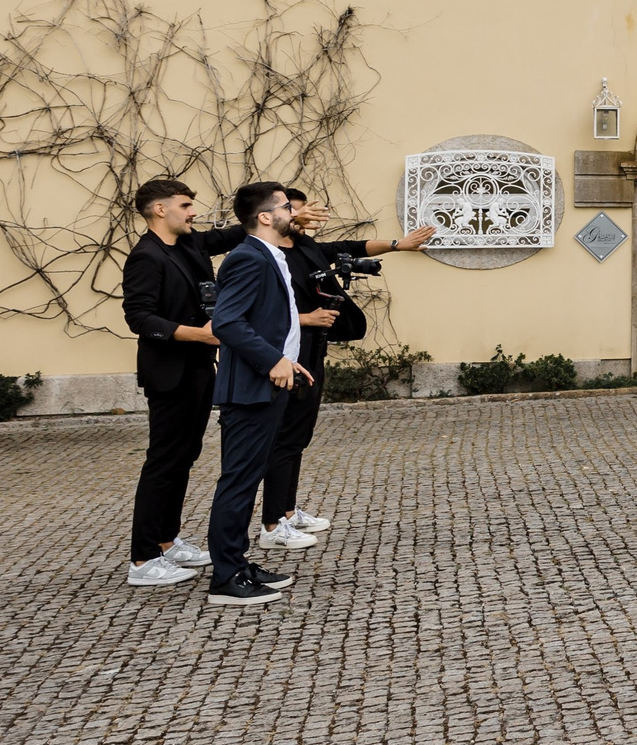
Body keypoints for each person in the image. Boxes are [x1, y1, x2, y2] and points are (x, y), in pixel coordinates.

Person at [255, 191, 434, 552]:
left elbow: (353, 245)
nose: (301, 216)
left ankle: (287, 512)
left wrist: (399, 244)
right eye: (293, 209)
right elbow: (255, 311)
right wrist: (306, 318)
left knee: (298, 436)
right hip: (287, 354)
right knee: (285, 437)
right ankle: (272, 524)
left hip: (313, 349)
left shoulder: (304, 247)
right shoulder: (265, 256)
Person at [119, 179, 246, 588]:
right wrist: (199, 334)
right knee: (163, 463)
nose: (193, 212)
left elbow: (235, 232)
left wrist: (286, 215)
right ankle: (142, 560)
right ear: (159, 209)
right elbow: (139, 318)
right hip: (169, 372)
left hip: (198, 368)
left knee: (184, 457)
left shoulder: (189, 244)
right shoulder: (146, 257)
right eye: (186, 205)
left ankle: (166, 542)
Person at [204, 183, 310, 607]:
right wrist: (272, 361)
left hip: (270, 382)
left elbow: (266, 320)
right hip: (251, 389)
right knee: (239, 481)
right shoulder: (248, 257)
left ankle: (239, 563)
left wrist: (287, 359)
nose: (293, 211)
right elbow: (226, 323)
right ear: (266, 217)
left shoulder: (270, 255)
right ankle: (226, 578)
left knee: (247, 479)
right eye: (286, 206)